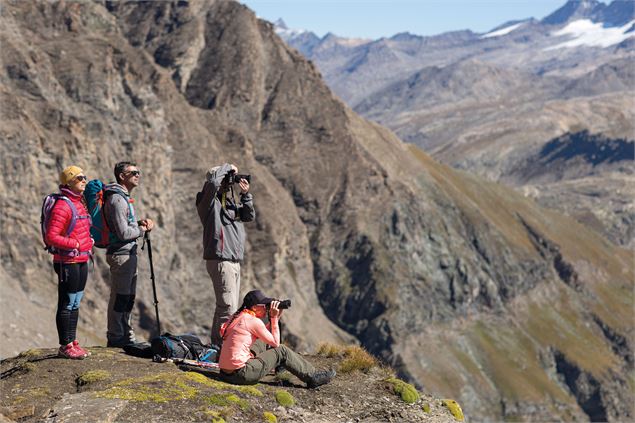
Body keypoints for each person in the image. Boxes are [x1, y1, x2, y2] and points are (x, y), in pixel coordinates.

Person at [218, 290, 336, 388]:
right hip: (241, 374)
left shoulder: (238, 316)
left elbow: (264, 334)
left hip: (225, 373)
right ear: (254, 307)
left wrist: (276, 318)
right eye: (264, 306)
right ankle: (313, 377)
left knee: (261, 341)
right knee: (282, 351)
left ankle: (281, 368)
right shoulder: (253, 321)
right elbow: (276, 343)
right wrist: (274, 318)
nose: (266, 308)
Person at [196, 163, 255, 347]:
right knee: (227, 307)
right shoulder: (206, 202)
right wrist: (228, 167)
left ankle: (216, 344)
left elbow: (248, 216)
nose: (228, 183)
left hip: (233, 260)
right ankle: (224, 348)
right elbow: (213, 183)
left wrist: (245, 195)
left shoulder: (229, 202)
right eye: (226, 179)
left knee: (226, 306)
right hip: (221, 259)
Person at [103, 161, 154, 347]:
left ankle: (125, 334)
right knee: (120, 297)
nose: (137, 175)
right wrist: (141, 229)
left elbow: (125, 226)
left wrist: (138, 224)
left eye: (138, 172)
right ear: (122, 176)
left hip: (127, 253)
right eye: (133, 172)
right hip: (121, 253)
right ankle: (116, 336)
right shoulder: (117, 199)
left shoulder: (123, 197)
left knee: (128, 297)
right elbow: (123, 233)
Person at [45, 166, 93, 359]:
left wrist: (87, 242)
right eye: (79, 178)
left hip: (81, 259)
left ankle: (72, 341)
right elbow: (51, 236)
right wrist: (74, 243)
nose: (84, 180)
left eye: (84, 177)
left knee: (76, 302)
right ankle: (65, 345)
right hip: (68, 261)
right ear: (68, 182)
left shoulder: (79, 202)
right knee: (67, 303)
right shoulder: (63, 206)